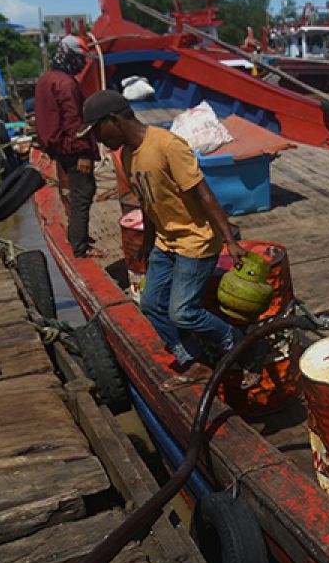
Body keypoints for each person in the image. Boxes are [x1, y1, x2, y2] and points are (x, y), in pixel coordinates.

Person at [77, 91, 251, 382]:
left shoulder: (167, 145)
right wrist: (147, 243)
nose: (96, 139)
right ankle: (193, 360)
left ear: (114, 120)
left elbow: (204, 194)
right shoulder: (129, 156)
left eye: (97, 130)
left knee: (183, 312)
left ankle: (241, 347)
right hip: (165, 241)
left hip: (195, 240)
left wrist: (230, 241)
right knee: (150, 304)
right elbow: (147, 201)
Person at [35, 35, 99, 258]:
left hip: (57, 147)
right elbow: (73, 121)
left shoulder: (47, 79)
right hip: (72, 148)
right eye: (80, 58)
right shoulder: (66, 83)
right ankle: (80, 247)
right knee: (84, 193)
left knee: (76, 191)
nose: (82, 63)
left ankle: (76, 234)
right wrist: (83, 152)